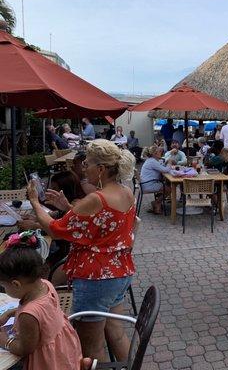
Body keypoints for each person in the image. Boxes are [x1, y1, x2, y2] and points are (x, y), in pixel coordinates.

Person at [27, 139, 137, 363]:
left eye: (88, 163)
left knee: (92, 346)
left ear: (102, 169)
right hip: (119, 272)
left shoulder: (96, 198)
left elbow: (55, 230)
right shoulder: (125, 192)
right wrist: (68, 208)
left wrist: (35, 203)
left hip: (95, 278)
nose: (84, 167)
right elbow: (102, 226)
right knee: (116, 333)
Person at [0, 234, 83, 369]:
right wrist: (10, 313)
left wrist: (4, 341)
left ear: (16, 284)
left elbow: (24, 349)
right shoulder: (45, 285)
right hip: (63, 348)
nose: (4, 289)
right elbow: (44, 313)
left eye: (4, 286)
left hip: (47, 362)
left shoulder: (28, 315)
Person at [140, 145, 179, 214]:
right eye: (159, 152)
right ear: (154, 154)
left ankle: (157, 202)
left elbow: (161, 167)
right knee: (169, 189)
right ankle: (157, 202)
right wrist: (169, 162)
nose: (161, 153)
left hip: (146, 183)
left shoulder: (151, 160)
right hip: (149, 185)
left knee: (166, 185)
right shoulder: (152, 162)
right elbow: (165, 170)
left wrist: (166, 163)